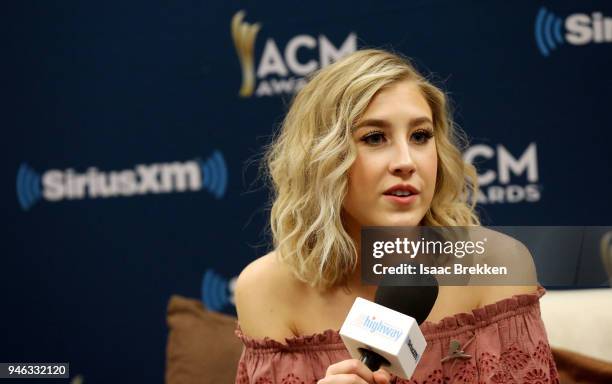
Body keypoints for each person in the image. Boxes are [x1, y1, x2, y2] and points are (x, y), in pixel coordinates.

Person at [233, 49, 559, 384]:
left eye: (420, 136)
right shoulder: (265, 289)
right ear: (321, 159)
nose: (406, 161)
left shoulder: (497, 265)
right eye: (374, 138)